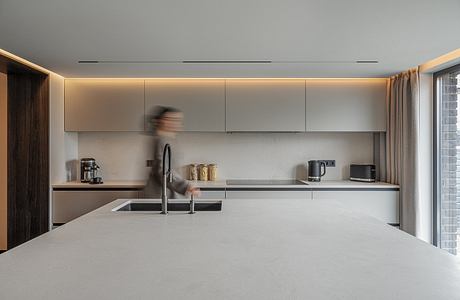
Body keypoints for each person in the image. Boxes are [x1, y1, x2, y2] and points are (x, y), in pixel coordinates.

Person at [143, 106, 200, 199]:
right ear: (162, 121)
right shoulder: (161, 140)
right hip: (159, 195)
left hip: (166, 192)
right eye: (172, 119)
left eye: (178, 120)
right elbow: (163, 171)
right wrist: (185, 186)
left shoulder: (169, 139)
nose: (176, 123)